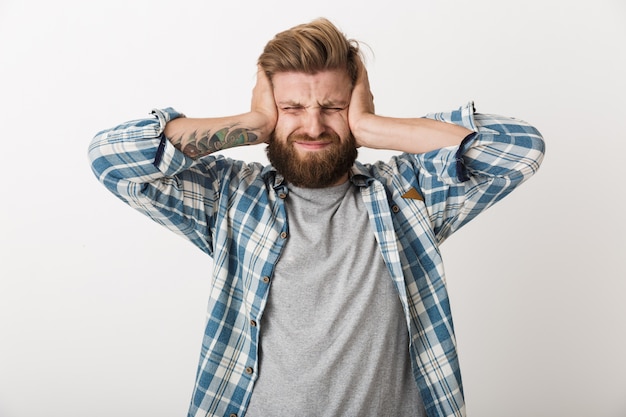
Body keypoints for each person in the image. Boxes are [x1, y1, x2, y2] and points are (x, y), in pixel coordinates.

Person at [89, 18, 545, 417]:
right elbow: (111, 157)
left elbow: (520, 150)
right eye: (291, 108)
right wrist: (252, 121)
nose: (312, 126)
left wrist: (371, 126)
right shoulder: (228, 196)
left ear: (357, 102)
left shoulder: (410, 196)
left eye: (332, 107)